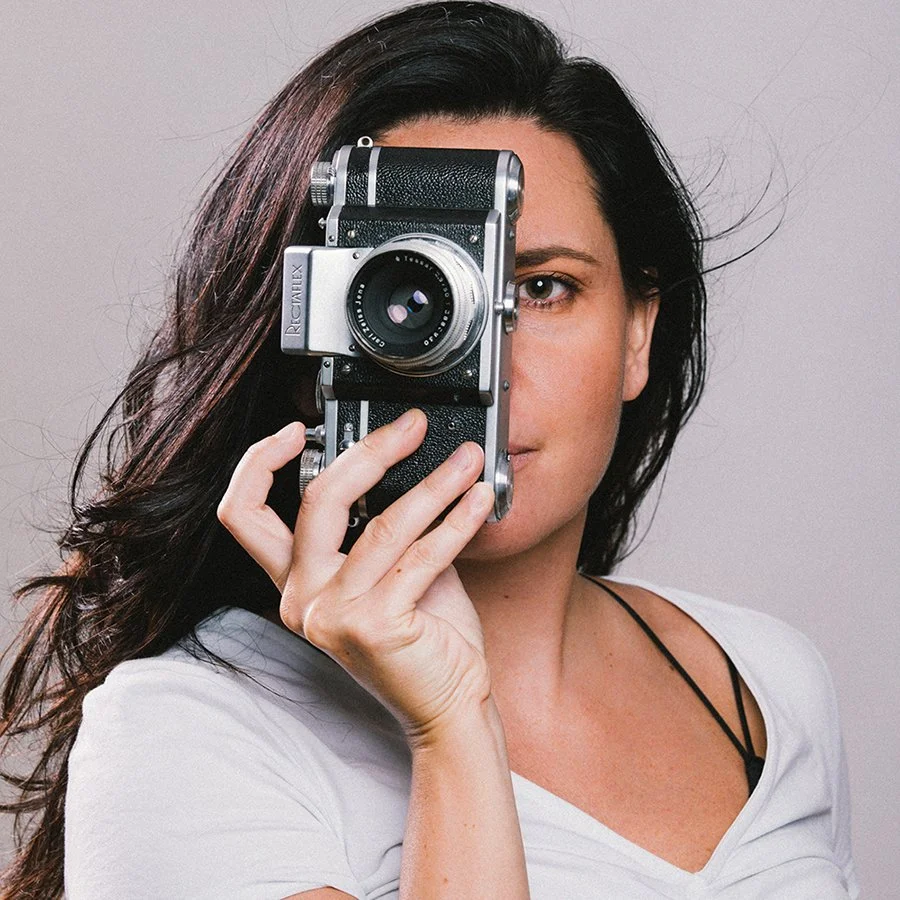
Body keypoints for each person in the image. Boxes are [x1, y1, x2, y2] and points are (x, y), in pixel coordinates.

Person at [0, 2, 857, 897]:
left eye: (544, 288)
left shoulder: (765, 684)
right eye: (408, 296)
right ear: (307, 340)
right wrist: (451, 726)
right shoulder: (183, 735)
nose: (489, 367)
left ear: (638, 334)